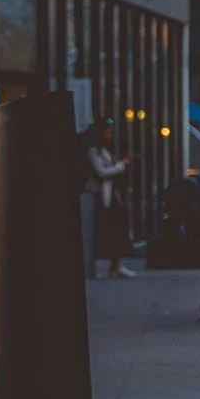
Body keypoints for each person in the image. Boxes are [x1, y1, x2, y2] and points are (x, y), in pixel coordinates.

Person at [85, 118, 133, 279]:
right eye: (108, 132)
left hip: (111, 195)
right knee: (107, 230)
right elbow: (102, 172)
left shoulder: (104, 150)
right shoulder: (93, 151)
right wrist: (121, 165)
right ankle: (112, 265)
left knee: (116, 229)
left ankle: (116, 264)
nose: (111, 135)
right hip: (101, 196)